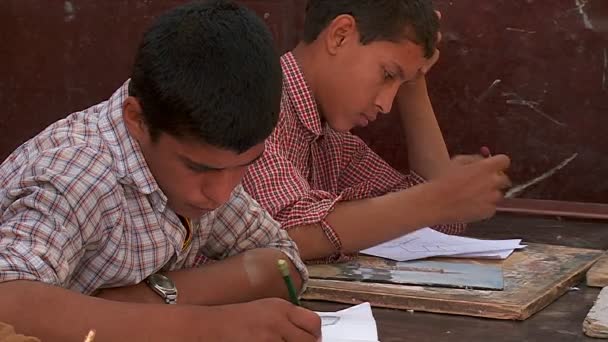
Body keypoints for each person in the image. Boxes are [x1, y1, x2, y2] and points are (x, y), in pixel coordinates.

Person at [0, 1, 320, 341]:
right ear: (137, 120)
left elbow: (281, 261)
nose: (221, 194)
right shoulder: (79, 174)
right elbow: (8, 301)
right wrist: (208, 327)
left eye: (243, 168)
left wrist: (152, 296)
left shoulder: (196, 167)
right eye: (199, 167)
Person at [243, 0, 512, 262]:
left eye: (399, 83)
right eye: (387, 75)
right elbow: (283, 234)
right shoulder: (256, 102)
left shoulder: (334, 142)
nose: (385, 104)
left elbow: (441, 222)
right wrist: (436, 199)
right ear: (340, 35)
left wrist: (413, 84)